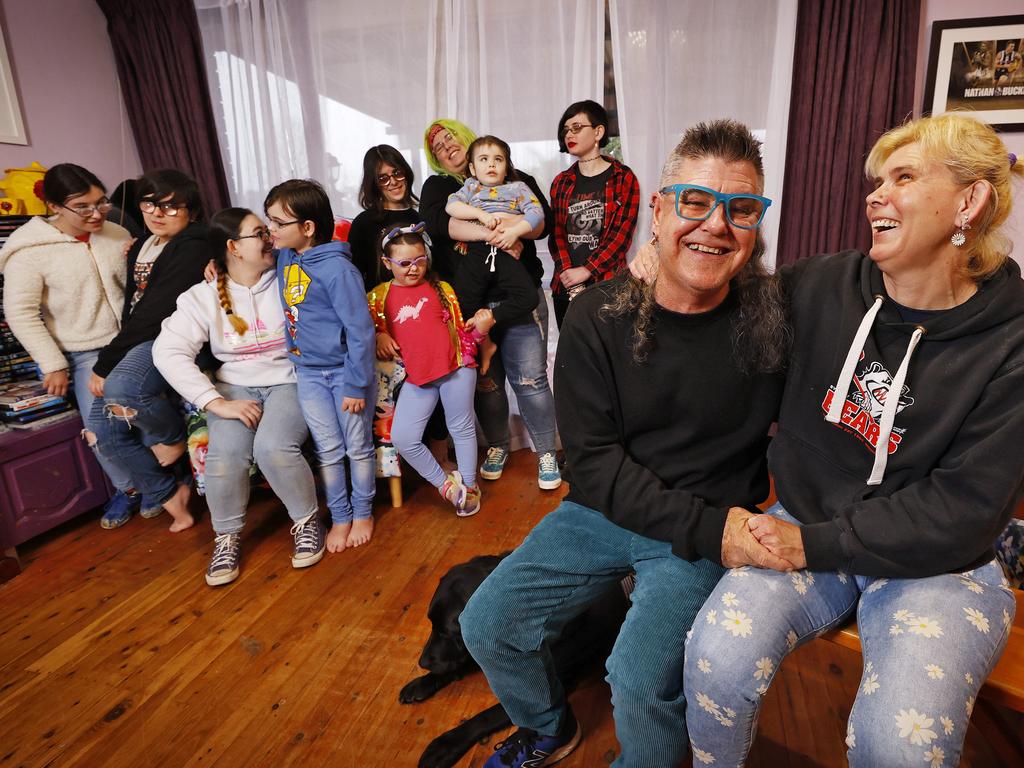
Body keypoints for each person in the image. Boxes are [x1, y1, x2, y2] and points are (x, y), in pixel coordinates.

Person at [683, 114, 1023, 767]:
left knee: (897, 745)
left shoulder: (1013, 340)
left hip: (941, 566)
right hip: (807, 524)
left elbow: (962, 509)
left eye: (903, 177)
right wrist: (672, 272)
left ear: (969, 200)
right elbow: (720, 326)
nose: (873, 195)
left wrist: (809, 542)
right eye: (875, 180)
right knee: (713, 659)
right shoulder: (820, 285)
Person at [459, 120, 789, 768]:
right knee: (487, 622)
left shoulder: (777, 315)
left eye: (739, 208)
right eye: (694, 202)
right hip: (605, 512)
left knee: (638, 680)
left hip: (700, 530)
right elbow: (593, 462)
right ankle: (549, 727)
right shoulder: (598, 315)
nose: (715, 224)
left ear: (755, 225)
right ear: (660, 211)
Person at [153, 208, 323, 585]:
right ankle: (226, 537)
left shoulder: (290, 278)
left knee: (274, 447)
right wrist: (215, 402)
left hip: (288, 381)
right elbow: (167, 351)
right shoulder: (202, 296)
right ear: (233, 247)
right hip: (233, 388)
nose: (270, 238)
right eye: (260, 233)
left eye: (270, 230)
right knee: (225, 454)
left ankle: (307, 521)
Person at [420, 119, 561, 491]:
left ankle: (545, 450)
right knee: (488, 382)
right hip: (473, 297)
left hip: (517, 294)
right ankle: (498, 445)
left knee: (530, 379)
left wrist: (514, 229)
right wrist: (495, 232)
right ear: (472, 165)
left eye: (452, 138)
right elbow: (445, 225)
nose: (447, 147)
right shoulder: (452, 188)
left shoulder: (516, 182)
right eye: (438, 146)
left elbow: (539, 221)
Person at [0, 163, 139, 524]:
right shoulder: (28, 251)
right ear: (55, 207)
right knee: (100, 428)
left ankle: (164, 484)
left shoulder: (116, 233)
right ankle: (128, 490)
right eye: (83, 207)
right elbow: (21, 313)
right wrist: (53, 363)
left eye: (101, 202)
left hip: (131, 342)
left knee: (145, 413)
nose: (96, 213)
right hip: (83, 353)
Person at [87, 169, 214, 532]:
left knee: (122, 390)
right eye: (150, 204)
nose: (158, 213)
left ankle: (171, 438)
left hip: (170, 337)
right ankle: (170, 494)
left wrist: (106, 362)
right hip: (139, 336)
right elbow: (134, 304)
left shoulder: (195, 243)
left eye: (171, 207)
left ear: (191, 210)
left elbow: (157, 309)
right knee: (102, 431)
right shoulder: (143, 243)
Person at [266, 179, 376, 553]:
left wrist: (357, 386)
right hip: (308, 373)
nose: (272, 230)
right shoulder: (285, 256)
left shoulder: (338, 270)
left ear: (308, 227)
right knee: (328, 450)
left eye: (279, 223)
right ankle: (341, 516)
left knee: (357, 448)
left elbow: (360, 333)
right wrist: (215, 265)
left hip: (345, 373)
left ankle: (362, 513)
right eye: (270, 221)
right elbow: (245, 256)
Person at [368, 223, 484, 516]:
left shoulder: (441, 288)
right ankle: (446, 486)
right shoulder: (378, 297)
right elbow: (367, 330)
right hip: (418, 378)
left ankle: (469, 488)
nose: (413, 269)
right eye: (404, 263)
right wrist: (378, 335)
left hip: (456, 368)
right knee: (404, 437)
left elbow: (460, 326)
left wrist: (480, 342)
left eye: (420, 261)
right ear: (387, 263)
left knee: (461, 427)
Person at [444, 134, 543, 372]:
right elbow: (451, 207)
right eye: (484, 159)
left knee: (529, 297)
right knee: (462, 302)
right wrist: (480, 215)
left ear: (506, 167)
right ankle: (485, 344)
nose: (491, 164)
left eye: (498, 159)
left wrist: (514, 232)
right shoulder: (470, 187)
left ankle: (490, 318)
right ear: (472, 168)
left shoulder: (517, 188)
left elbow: (537, 213)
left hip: (507, 251)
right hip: (478, 253)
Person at [548, 100, 640, 328]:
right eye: (566, 129)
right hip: (566, 287)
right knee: (572, 360)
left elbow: (621, 236)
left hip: (608, 286)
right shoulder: (561, 182)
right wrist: (568, 274)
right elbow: (556, 233)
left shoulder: (623, 178)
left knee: (609, 358)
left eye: (577, 127)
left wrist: (587, 270)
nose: (570, 133)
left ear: (598, 131)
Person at [348, 145, 421, 291]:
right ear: (374, 184)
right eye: (383, 178)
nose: (393, 182)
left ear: (406, 174)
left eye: (397, 173)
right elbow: (353, 277)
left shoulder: (420, 217)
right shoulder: (363, 223)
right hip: (380, 308)